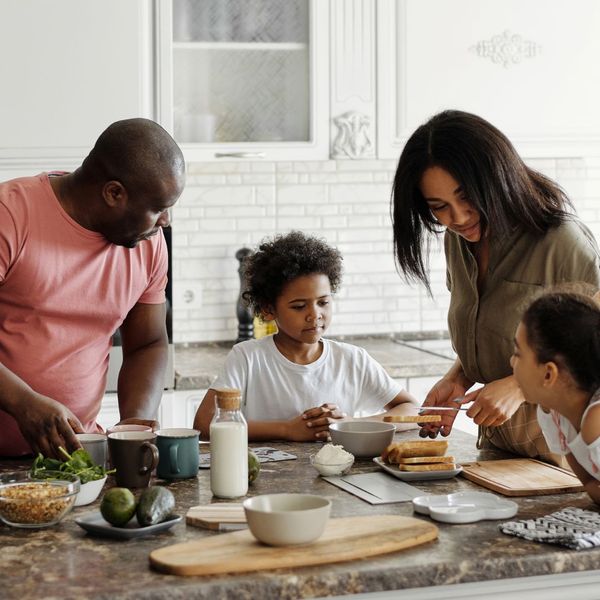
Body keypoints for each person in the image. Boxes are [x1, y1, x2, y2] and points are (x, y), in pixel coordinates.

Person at [391, 109, 600, 463]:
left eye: (468, 197)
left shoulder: (561, 241)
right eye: (439, 207)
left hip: (568, 460)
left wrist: (520, 387)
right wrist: (459, 377)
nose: (457, 218)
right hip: (499, 452)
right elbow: (490, 331)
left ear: (497, 180)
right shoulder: (457, 241)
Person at [0, 118, 185, 458]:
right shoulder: (10, 214)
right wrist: (22, 403)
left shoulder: (148, 244)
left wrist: (136, 425)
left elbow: (148, 343)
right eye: (157, 208)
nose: (166, 221)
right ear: (113, 193)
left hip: (72, 458)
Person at [193, 231, 419, 442]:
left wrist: (351, 424)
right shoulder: (248, 357)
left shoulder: (352, 359)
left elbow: (412, 410)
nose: (315, 315)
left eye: (323, 302)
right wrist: (287, 430)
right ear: (268, 309)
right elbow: (204, 423)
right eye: (299, 306)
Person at [511, 289, 600, 503]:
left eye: (517, 354)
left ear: (549, 374)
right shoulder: (552, 413)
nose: (511, 362)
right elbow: (590, 484)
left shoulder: (596, 420)